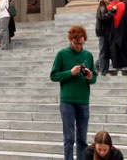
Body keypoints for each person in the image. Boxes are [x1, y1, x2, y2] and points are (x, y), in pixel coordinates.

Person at [50, 25, 96, 160]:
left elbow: (94, 78)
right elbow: (54, 75)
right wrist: (69, 73)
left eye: (81, 43)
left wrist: (89, 77)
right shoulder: (62, 54)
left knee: (82, 138)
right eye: (76, 43)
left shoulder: (88, 55)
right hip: (67, 101)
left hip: (83, 100)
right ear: (71, 40)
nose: (78, 46)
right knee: (69, 138)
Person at [95, 0, 114, 77]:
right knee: (103, 51)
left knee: (105, 51)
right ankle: (103, 71)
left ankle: (99, 65)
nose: (109, 0)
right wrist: (112, 11)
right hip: (103, 33)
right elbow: (103, 17)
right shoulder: (102, 8)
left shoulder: (102, 8)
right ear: (104, 0)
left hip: (104, 32)